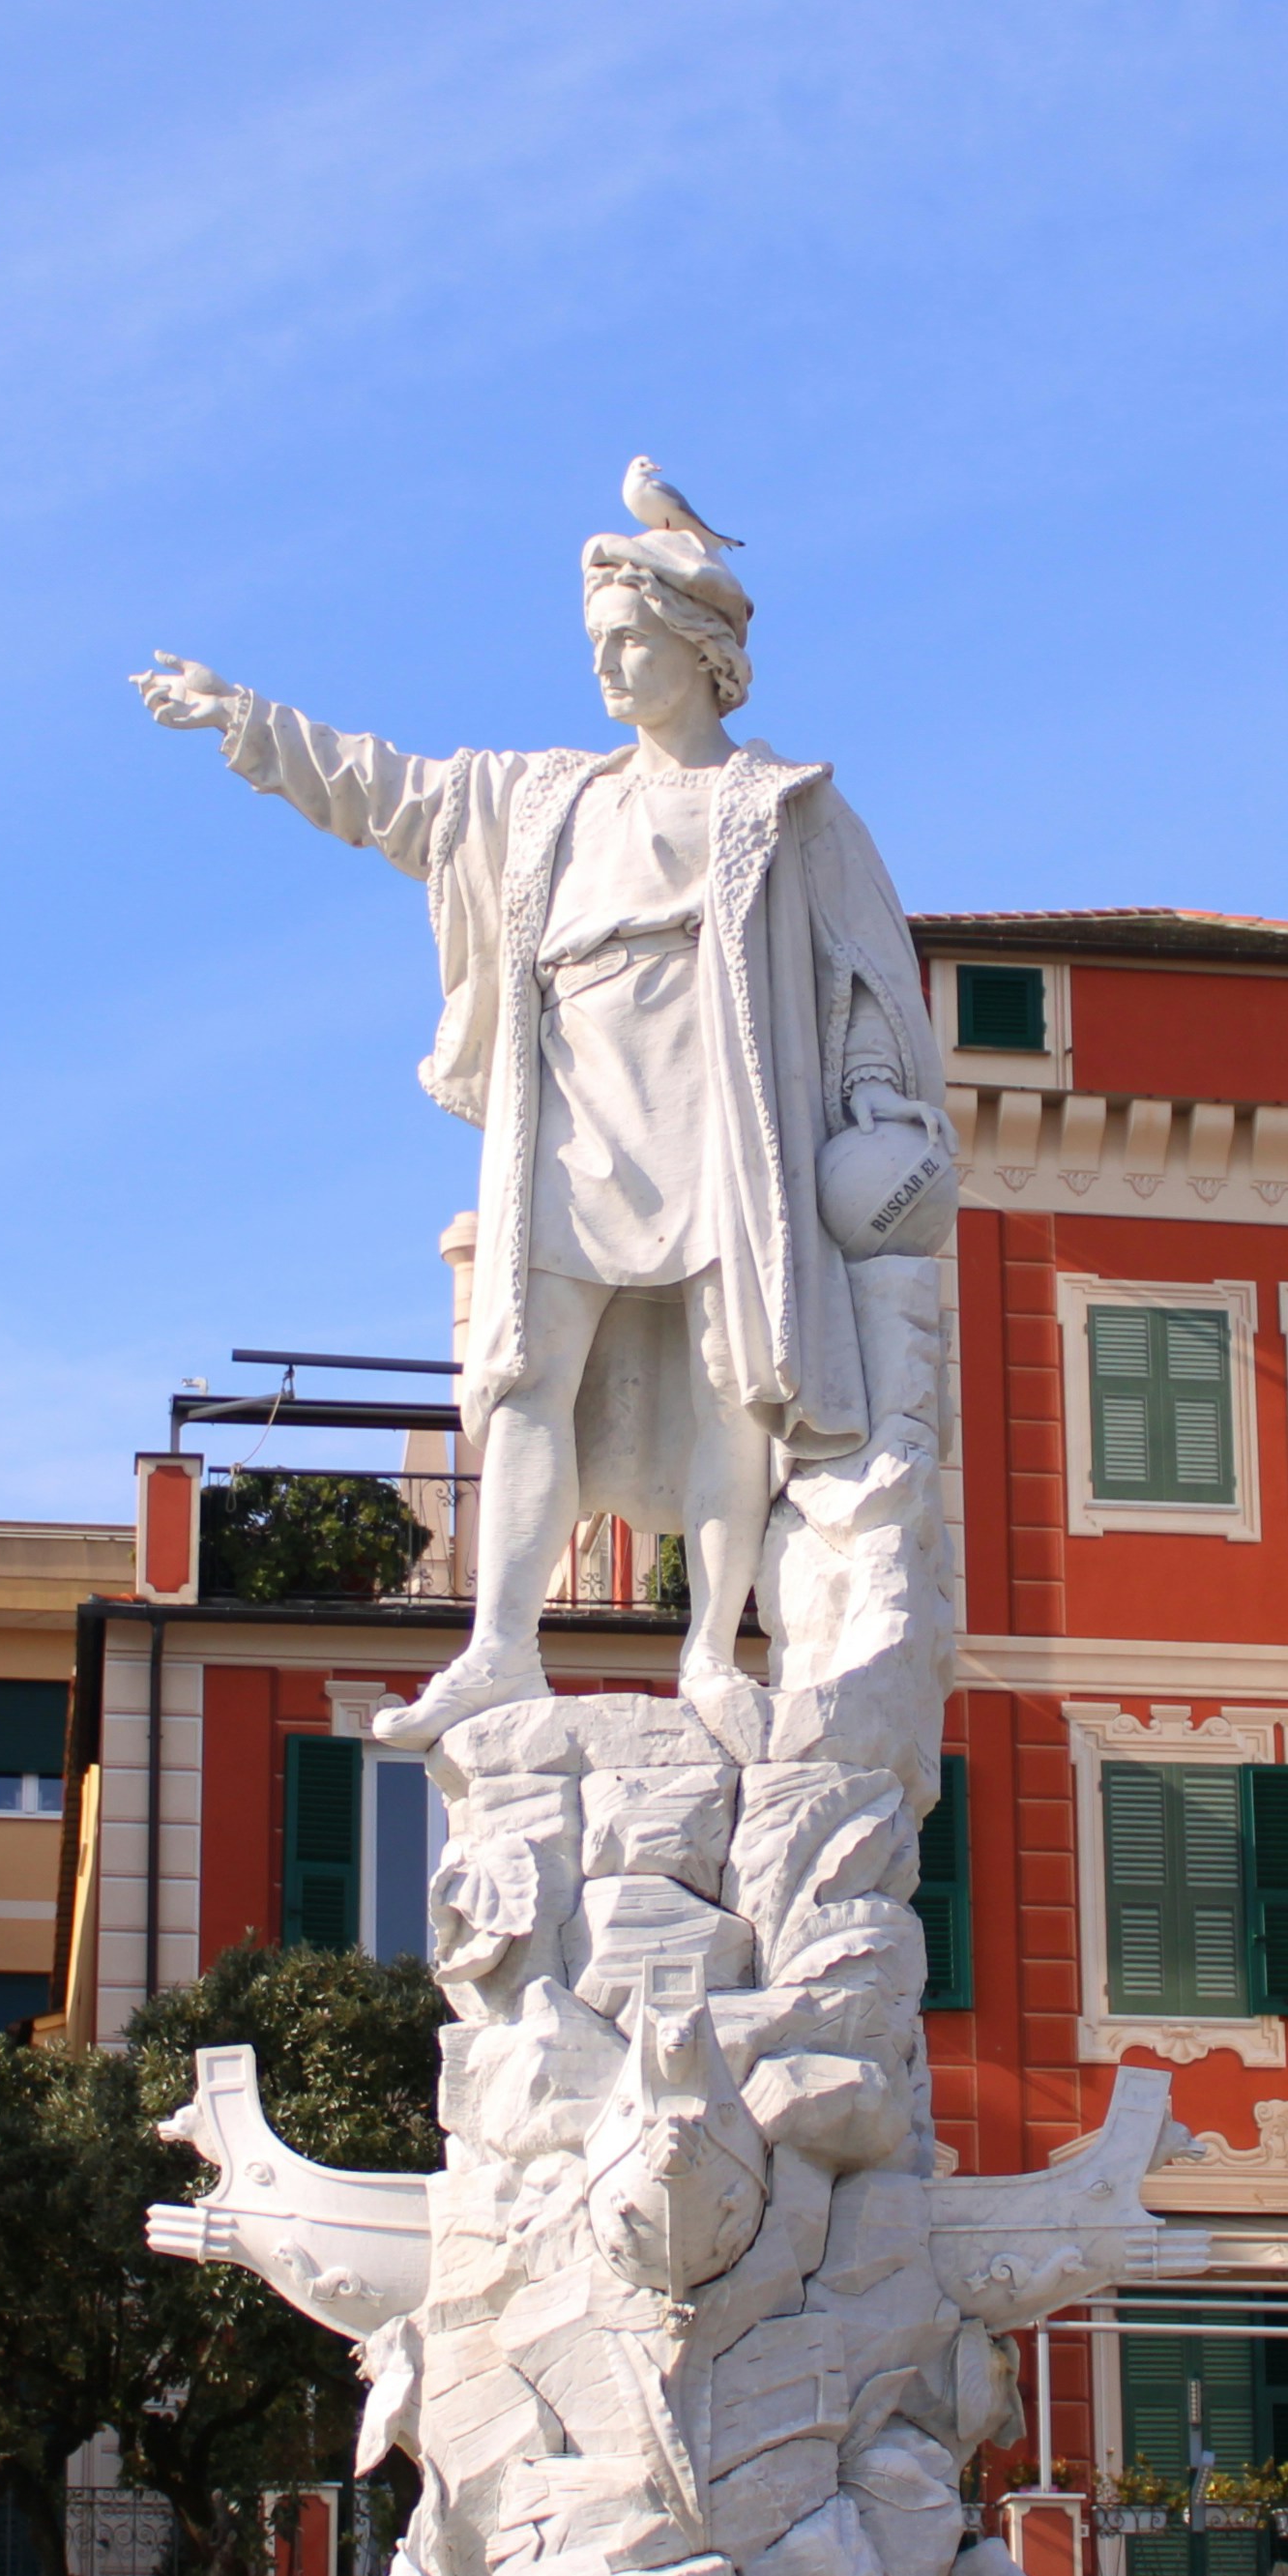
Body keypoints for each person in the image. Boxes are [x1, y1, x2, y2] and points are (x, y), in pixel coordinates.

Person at [136, 519, 942, 1746]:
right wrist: (246, 721)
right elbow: (386, 793)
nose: (609, 669)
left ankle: (714, 1657)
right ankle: (499, 1649)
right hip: (574, 1113)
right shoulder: (543, 798)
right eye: (599, 645)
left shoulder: (784, 809)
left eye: (629, 642)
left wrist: (878, 1095)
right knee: (522, 1377)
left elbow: (867, 975)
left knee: (736, 1387)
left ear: (698, 647)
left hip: (720, 1112)